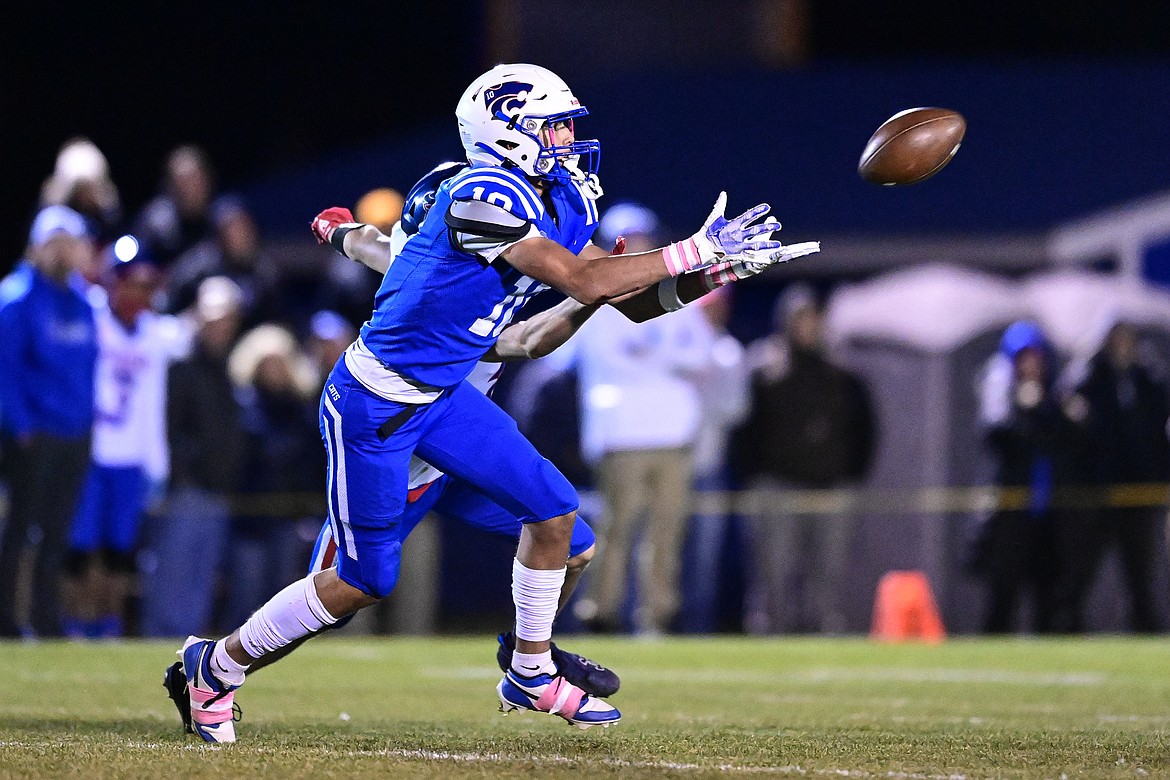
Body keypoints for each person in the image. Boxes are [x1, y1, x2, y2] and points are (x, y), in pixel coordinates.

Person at [165, 62, 814, 742]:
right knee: (360, 582)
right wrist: (690, 251)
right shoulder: (480, 196)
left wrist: (712, 272)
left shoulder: (537, 205)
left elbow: (606, 299)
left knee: (559, 520)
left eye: (567, 124)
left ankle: (531, 670)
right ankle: (215, 666)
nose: (567, 138)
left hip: (443, 401)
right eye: (552, 125)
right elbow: (580, 279)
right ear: (504, 134)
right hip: (378, 407)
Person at [570, 202, 721, 636]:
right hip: (621, 434)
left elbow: (704, 356)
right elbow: (602, 359)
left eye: (642, 240)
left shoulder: (678, 296)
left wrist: (660, 357)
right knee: (616, 532)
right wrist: (666, 359)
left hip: (673, 432)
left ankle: (657, 614)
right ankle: (602, 612)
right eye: (627, 241)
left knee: (666, 533)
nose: (637, 247)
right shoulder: (594, 296)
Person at [63, 248, 192, 639]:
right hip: (91, 452)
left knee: (121, 551)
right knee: (80, 548)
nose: (138, 293)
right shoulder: (92, 319)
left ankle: (108, 625)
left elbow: (186, 339)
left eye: (146, 285)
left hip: (132, 458)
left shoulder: (155, 333)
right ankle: (74, 622)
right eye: (132, 283)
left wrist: (158, 466)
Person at [735, 284, 876, 634]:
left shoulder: (842, 372)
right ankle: (771, 628)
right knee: (774, 568)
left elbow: (864, 428)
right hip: (777, 485)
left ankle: (826, 628)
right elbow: (742, 430)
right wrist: (753, 476)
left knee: (829, 569)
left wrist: (851, 474)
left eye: (814, 318)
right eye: (800, 319)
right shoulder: (764, 369)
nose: (808, 326)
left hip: (831, 486)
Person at [0, 206, 98, 638]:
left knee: (58, 532)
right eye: (53, 242)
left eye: (68, 243)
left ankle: (46, 618)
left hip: (74, 433)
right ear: (37, 246)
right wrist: (21, 425)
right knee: (20, 530)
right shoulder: (16, 297)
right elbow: (6, 369)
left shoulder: (83, 300)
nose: (61, 252)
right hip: (33, 433)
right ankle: (7, 618)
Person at [139, 276, 247, 637]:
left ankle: (185, 647)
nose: (222, 327)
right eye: (215, 318)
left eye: (228, 318)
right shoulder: (182, 363)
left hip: (218, 489)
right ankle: (157, 641)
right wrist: (183, 474)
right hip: (188, 488)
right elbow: (168, 426)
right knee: (173, 572)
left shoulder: (228, 366)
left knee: (200, 576)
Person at [1061, 319, 1170, 633]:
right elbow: (1078, 414)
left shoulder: (1147, 377)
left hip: (1139, 492)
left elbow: (1158, 431)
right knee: (1082, 569)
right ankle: (1067, 628)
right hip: (1100, 492)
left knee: (1141, 572)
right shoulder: (1092, 376)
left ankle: (1145, 629)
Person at [973, 320, 1073, 634]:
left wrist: (1049, 408)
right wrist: (1023, 409)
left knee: (1048, 593)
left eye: (1036, 358)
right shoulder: (1001, 392)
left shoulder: (1054, 396)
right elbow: (998, 438)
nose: (1031, 365)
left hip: (1048, 510)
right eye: (1024, 359)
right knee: (1003, 593)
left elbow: (1066, 441)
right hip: (1012, 510)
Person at [133, 146, 216, 269]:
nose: (189, 190)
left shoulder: (220, 217)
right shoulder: (157, 224)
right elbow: (140, 271)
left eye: (195, 180)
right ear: (170, 187)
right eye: (183, 183)